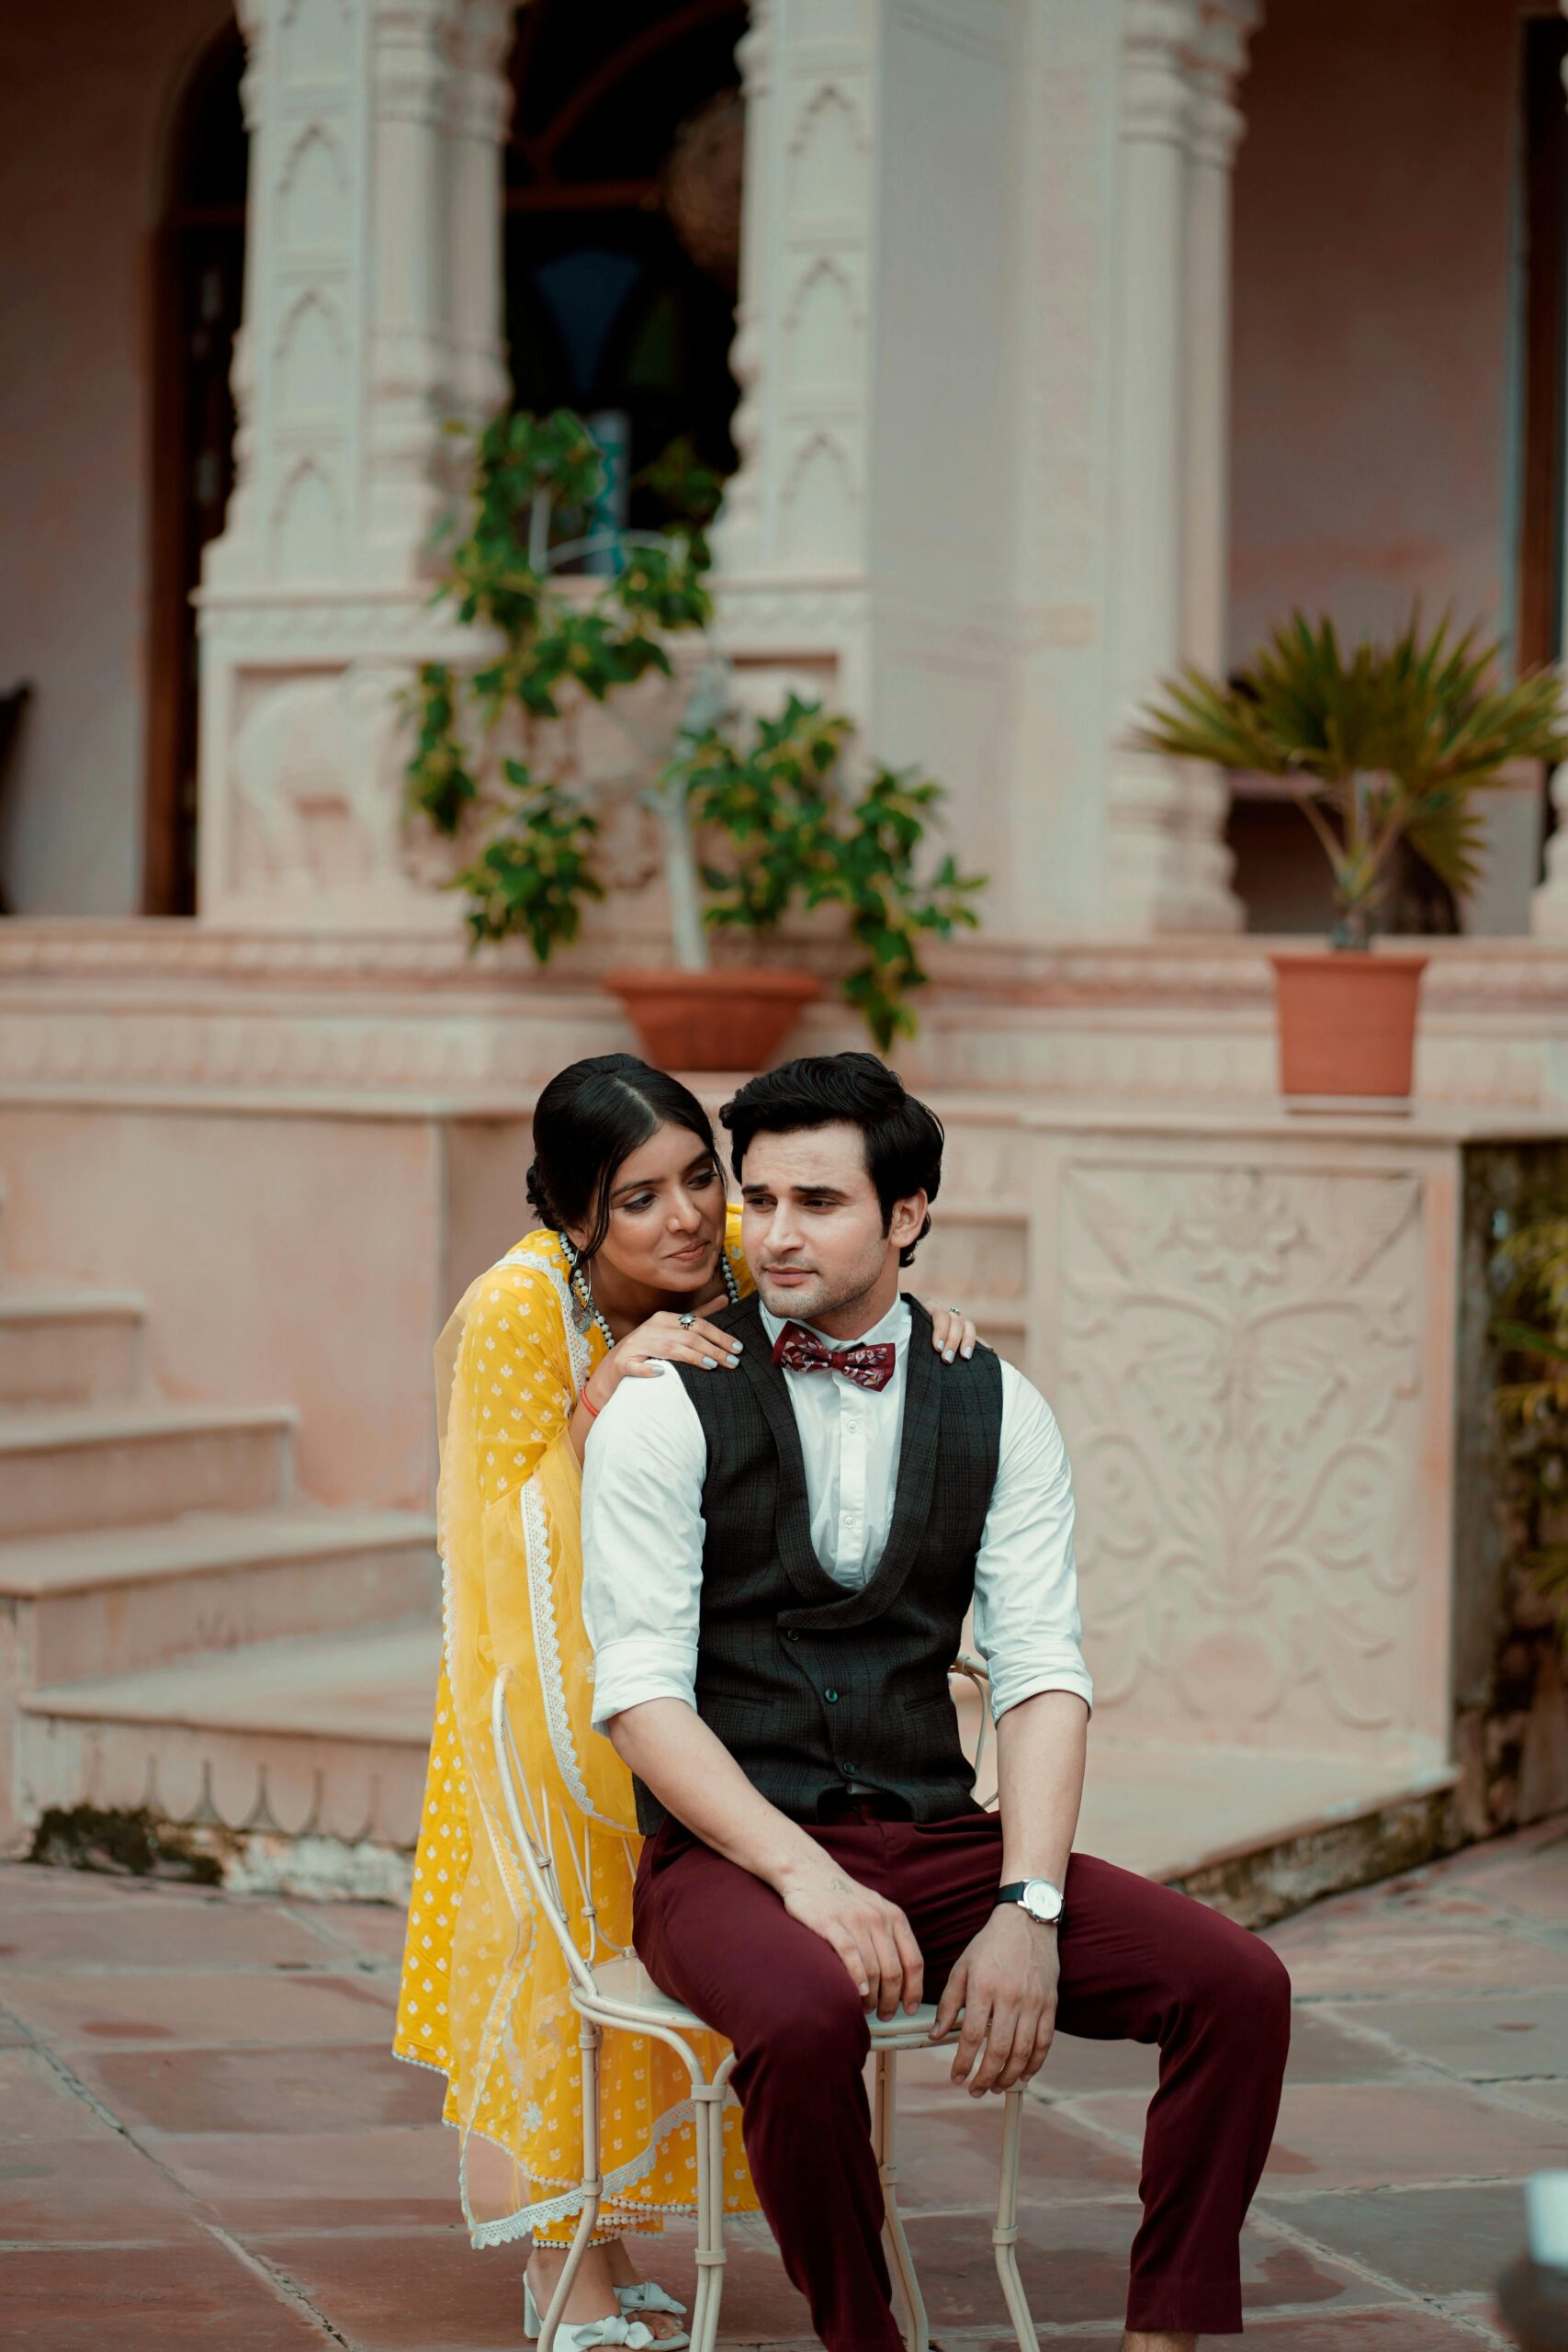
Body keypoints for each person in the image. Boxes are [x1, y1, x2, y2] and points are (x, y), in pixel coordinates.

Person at [581, 1052, 1292, 2352]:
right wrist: (806, 1881)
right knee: (803, 2020)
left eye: (819, 1202)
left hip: (937, 1838)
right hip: (730, 1858)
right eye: (760, 1200)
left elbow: (1042, 1674)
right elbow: (639, 1699)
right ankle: (869, 2339)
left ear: (906, 1216)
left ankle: (1166, 2336)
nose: (772, 1235)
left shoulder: (996, 1400)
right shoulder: (663, 1396)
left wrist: (1029, 1905)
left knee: (1238, 1987)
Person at [392, 1053, 979, 2351]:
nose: (690, 1217)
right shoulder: (514, 1312)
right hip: (543, 1690)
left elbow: (823, 1342)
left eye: (699, 1177)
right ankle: (563, 2270)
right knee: (565, 1955)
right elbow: (504, 1533)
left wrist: (921, 1328)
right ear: (573, 1213)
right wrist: (611, 1394)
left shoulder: (711, 1280)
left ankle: (613, 2240)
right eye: (639, 1197)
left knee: (648, 1953)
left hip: (675, 1672)